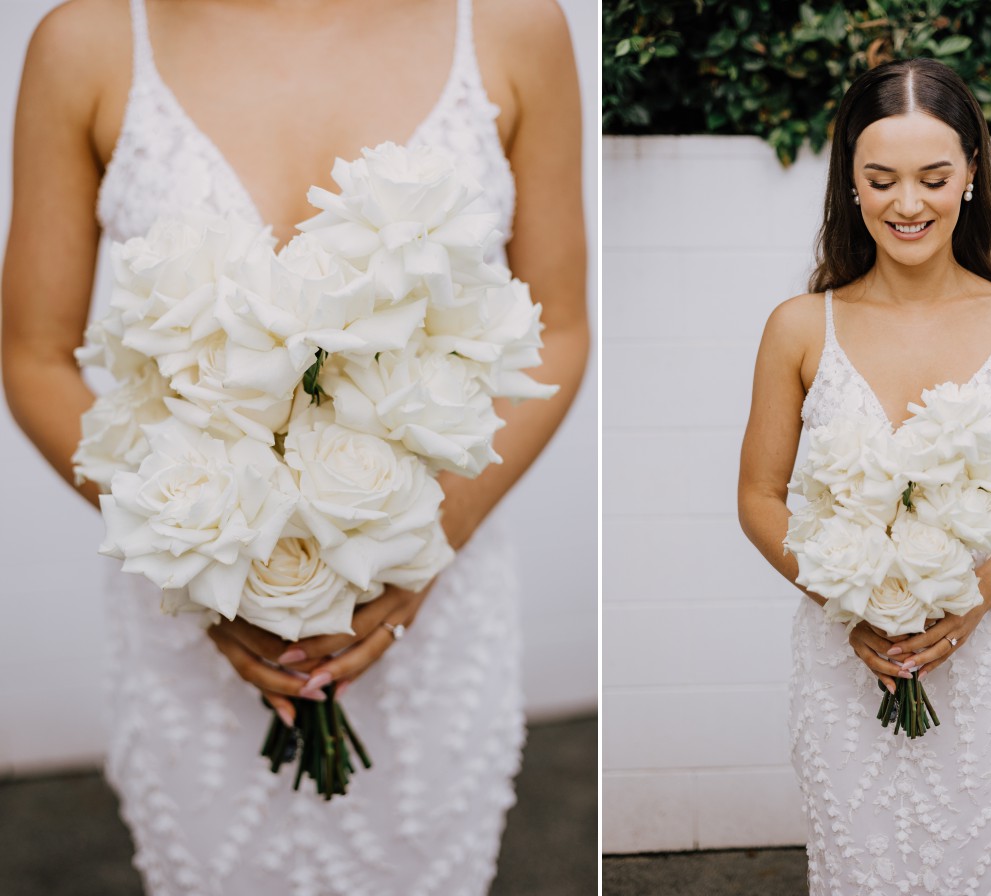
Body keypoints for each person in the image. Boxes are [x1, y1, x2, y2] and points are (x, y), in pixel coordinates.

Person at [1, 0, 588, 893]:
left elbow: (560, 325)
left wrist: (418, 548)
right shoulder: (85, 41)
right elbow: (34, 355)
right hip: (195, 617)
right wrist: (201, 556)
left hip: (430, 594)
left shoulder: (513, 27)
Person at [737, 57, 991, 895]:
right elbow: (757, 496)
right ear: (851, 185)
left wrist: (973, 600)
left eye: (933, 178)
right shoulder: (798, 327)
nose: (908, 203)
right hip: (843, 657)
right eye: (881, 179)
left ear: (970, 175)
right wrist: (848, 604)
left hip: (986, 654)